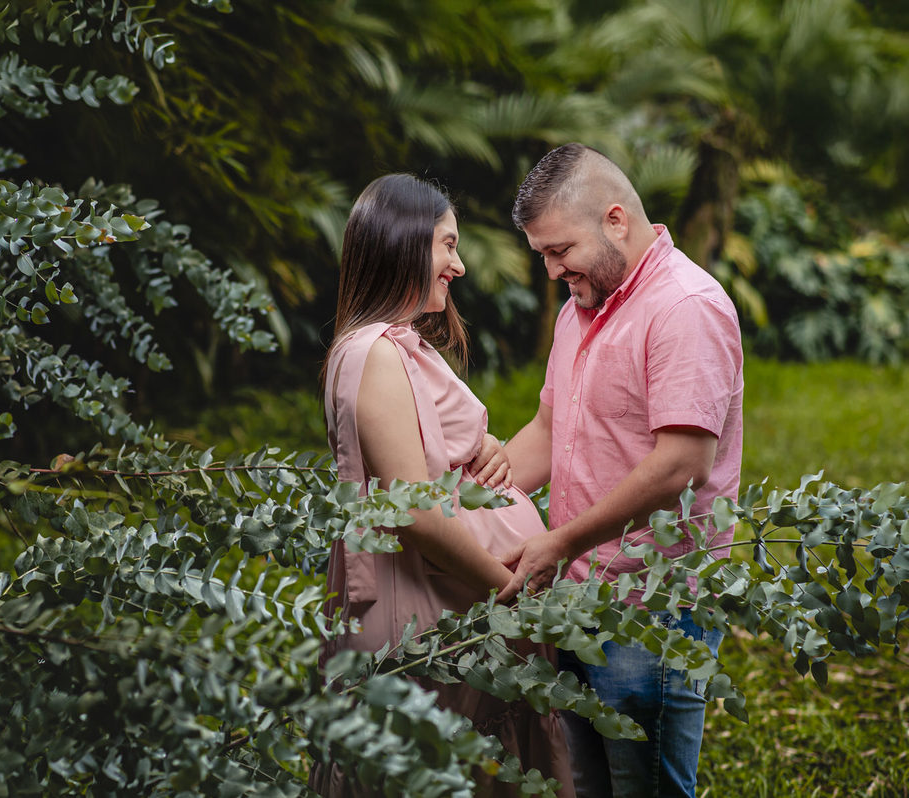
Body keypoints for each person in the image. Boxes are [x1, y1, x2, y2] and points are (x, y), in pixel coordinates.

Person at [311, 173, 573, 797]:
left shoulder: (399, 346)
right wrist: (509, 589)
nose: (458, 266)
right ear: (402, 243)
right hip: (426, 600)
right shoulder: (375, 352)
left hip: (451, 597)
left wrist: (480, 444)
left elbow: (421, 453)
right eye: (447, 245)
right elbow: (416, 514)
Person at [500, 143, 744, 797]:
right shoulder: (577, 311)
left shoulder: (685, 307)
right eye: (542, 254)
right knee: (586, 786)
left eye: (560, 250)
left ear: (615, 220)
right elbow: (549, 430)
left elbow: (681, 465)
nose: (552, 270)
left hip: (652, 609)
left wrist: (561, 541)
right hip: (575, 597)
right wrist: (464, 502)